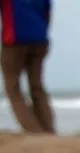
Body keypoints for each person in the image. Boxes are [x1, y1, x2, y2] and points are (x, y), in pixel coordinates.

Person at [0, 0, 54, 133]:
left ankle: (34, 131)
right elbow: (47, 13)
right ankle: (48, 129)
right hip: (39, 38)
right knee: (37, 87)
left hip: (14, 40)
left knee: (13, 88)